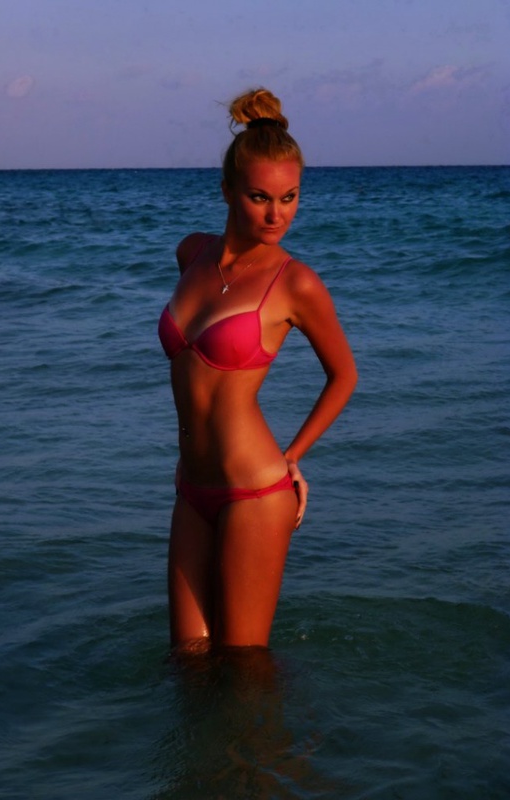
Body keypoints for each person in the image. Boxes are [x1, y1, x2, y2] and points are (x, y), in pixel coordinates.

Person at [158, 88, 357, 654]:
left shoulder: (296, 282)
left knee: (244, 667)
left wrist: (293, 457)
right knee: (187, 660)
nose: (277, 215)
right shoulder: (192, 253)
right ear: (226, 191)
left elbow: (344, 375)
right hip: (191, 487)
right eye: (259, 197)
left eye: (290, 198)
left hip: (255, 492)